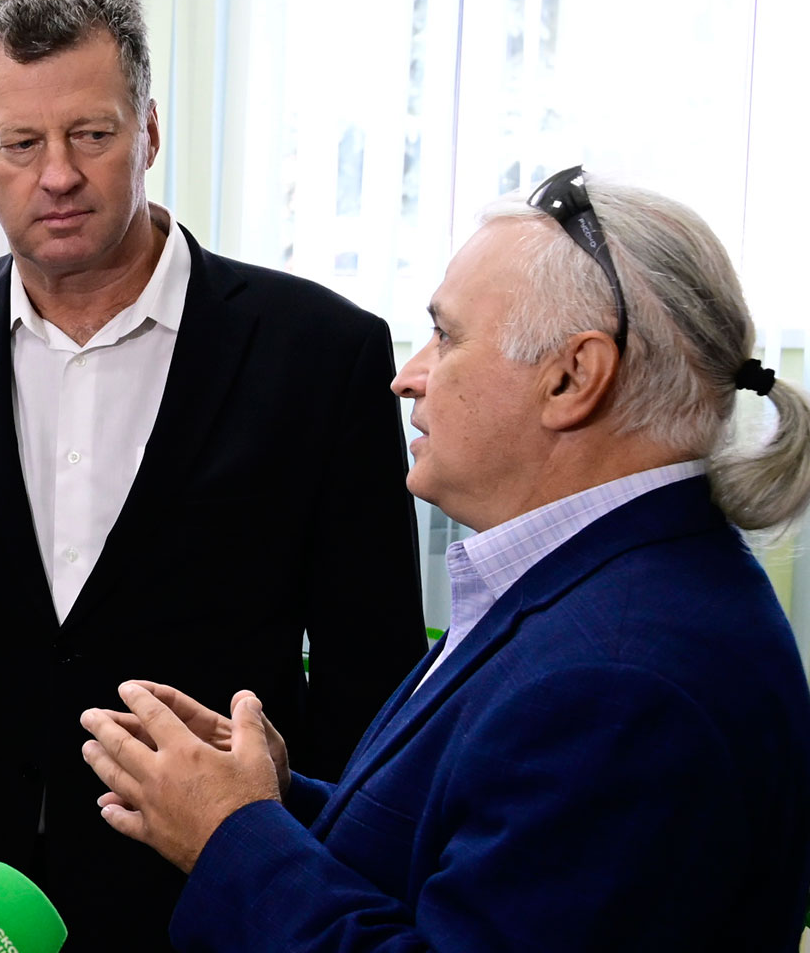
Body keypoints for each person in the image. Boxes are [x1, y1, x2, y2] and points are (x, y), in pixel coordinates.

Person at [0, 0, 429, 952]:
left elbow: (370, 674)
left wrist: (328, 891)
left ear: (149, 132)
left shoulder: (319, 353)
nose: (57, 175)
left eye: (91, 134)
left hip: (209, 894)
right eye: (21, 143)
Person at [82, 171, 810, 951]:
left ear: (573, 377)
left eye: (448, 336)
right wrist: (267, 802)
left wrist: (230, 836)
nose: (408, 377)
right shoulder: (602, 593)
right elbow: (466, 849)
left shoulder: (620, 685)